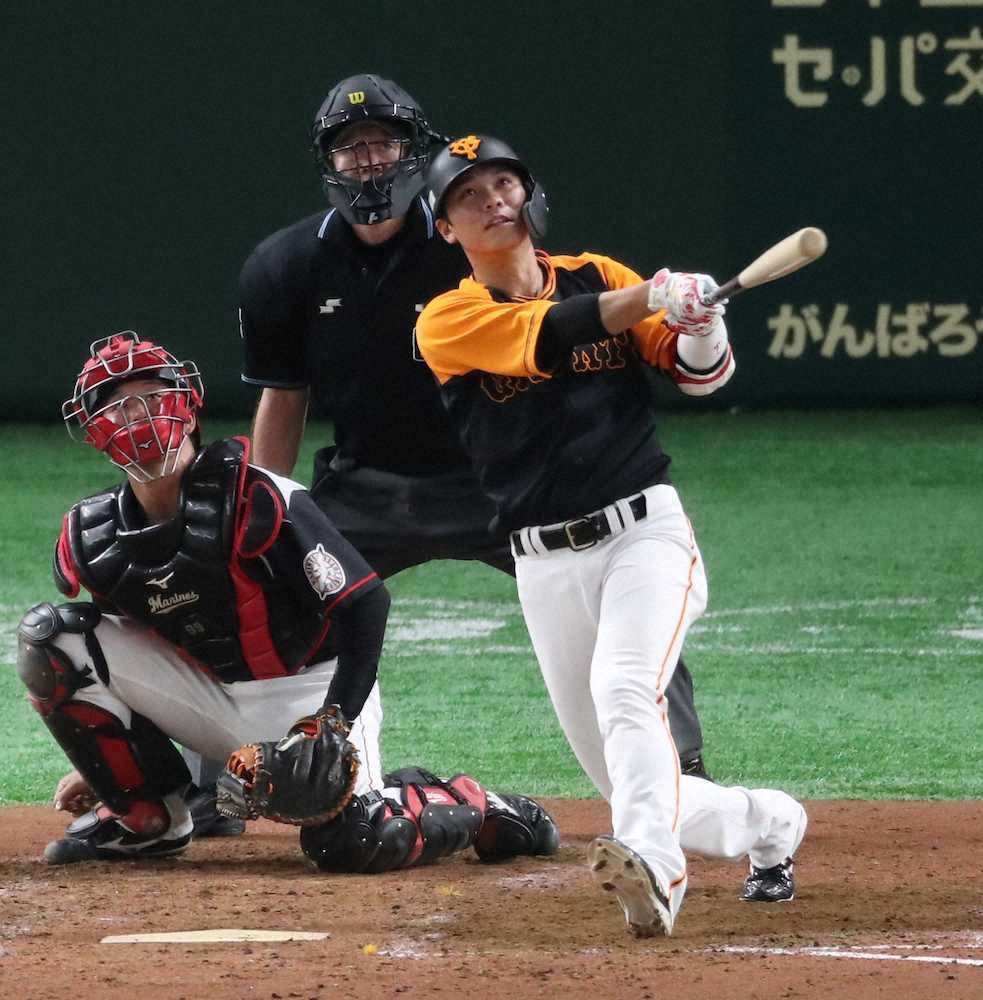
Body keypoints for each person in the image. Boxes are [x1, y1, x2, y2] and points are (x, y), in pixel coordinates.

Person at [224, 73, 710, 825]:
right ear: (328, 162)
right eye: (351, 148)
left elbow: (558, 324)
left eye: (384, 142)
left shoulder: (470, 243)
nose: (369, 160)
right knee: (261, 588)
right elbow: (284, 398)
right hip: (366, 484)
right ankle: (221, 778)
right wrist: (265, 507)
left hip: (497, 485)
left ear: (416, 152)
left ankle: (686, 774)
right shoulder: (282, 266)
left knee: (618, 607)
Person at [415, 135, 808, 936]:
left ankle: (656, 873)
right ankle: (771, 822)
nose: (492, 201)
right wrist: (656, 294)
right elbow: (550, 330)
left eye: (503, 183)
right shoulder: (447, 319)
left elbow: (702, 375)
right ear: (447, 229)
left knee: (626, 691)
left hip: (643, 534)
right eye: (468, 196)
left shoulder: (601, 273)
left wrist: (699, 321)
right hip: (541, 563)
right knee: (632, 779)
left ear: (529, 195)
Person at [17, 331, 558, 871]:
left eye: (151, 396)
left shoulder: (262, 497)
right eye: (117, 404)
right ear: (93, 429)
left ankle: (473, 803)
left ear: (187, 401)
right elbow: (125, 663)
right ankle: (145, 819)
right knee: (52, 640)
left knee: (354, 839)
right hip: (211, 697)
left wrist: (333, 721)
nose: (138, 414)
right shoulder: (96, 539)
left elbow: (367, 604)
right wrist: (111, 766)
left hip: (312, 691)